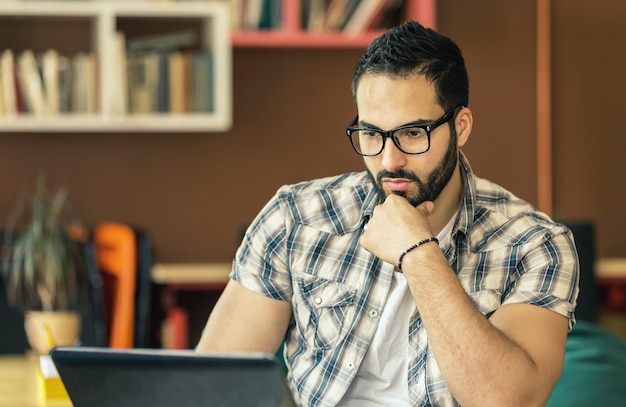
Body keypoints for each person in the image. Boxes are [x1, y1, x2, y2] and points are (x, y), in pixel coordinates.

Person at [196, 20, 579, 407]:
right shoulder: (296, 218)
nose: (388, 160)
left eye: (413, 133)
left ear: (460, 127)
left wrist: (419, 253)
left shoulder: (536, 244)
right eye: (371, 134)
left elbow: (505, 401)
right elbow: (211, 387)